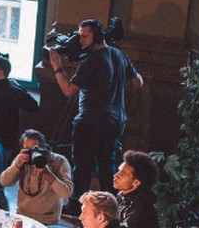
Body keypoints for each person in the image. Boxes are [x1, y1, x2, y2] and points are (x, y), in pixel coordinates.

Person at [46, 18, 143, 198]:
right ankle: (110, 202)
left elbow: (68, 91)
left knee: (82, 166)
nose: (80, 40)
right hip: (116, 121)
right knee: (107, 164)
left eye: (84, 36)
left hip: (91, 122)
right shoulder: (118, 54)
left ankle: (79, 204)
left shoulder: (91, 62)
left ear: (96, 36)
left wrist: (57, 67)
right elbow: (138, 82)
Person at [0, 130, 74, 225]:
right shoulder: (23, 158)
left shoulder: (59, 161)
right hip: (23, 215)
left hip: (47, 219)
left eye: (35, 149)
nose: (31, 153)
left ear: (44, 148)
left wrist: (46, 172)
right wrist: (17, 166)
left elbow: (66, 193)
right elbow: (4, 182)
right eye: (27, 149)